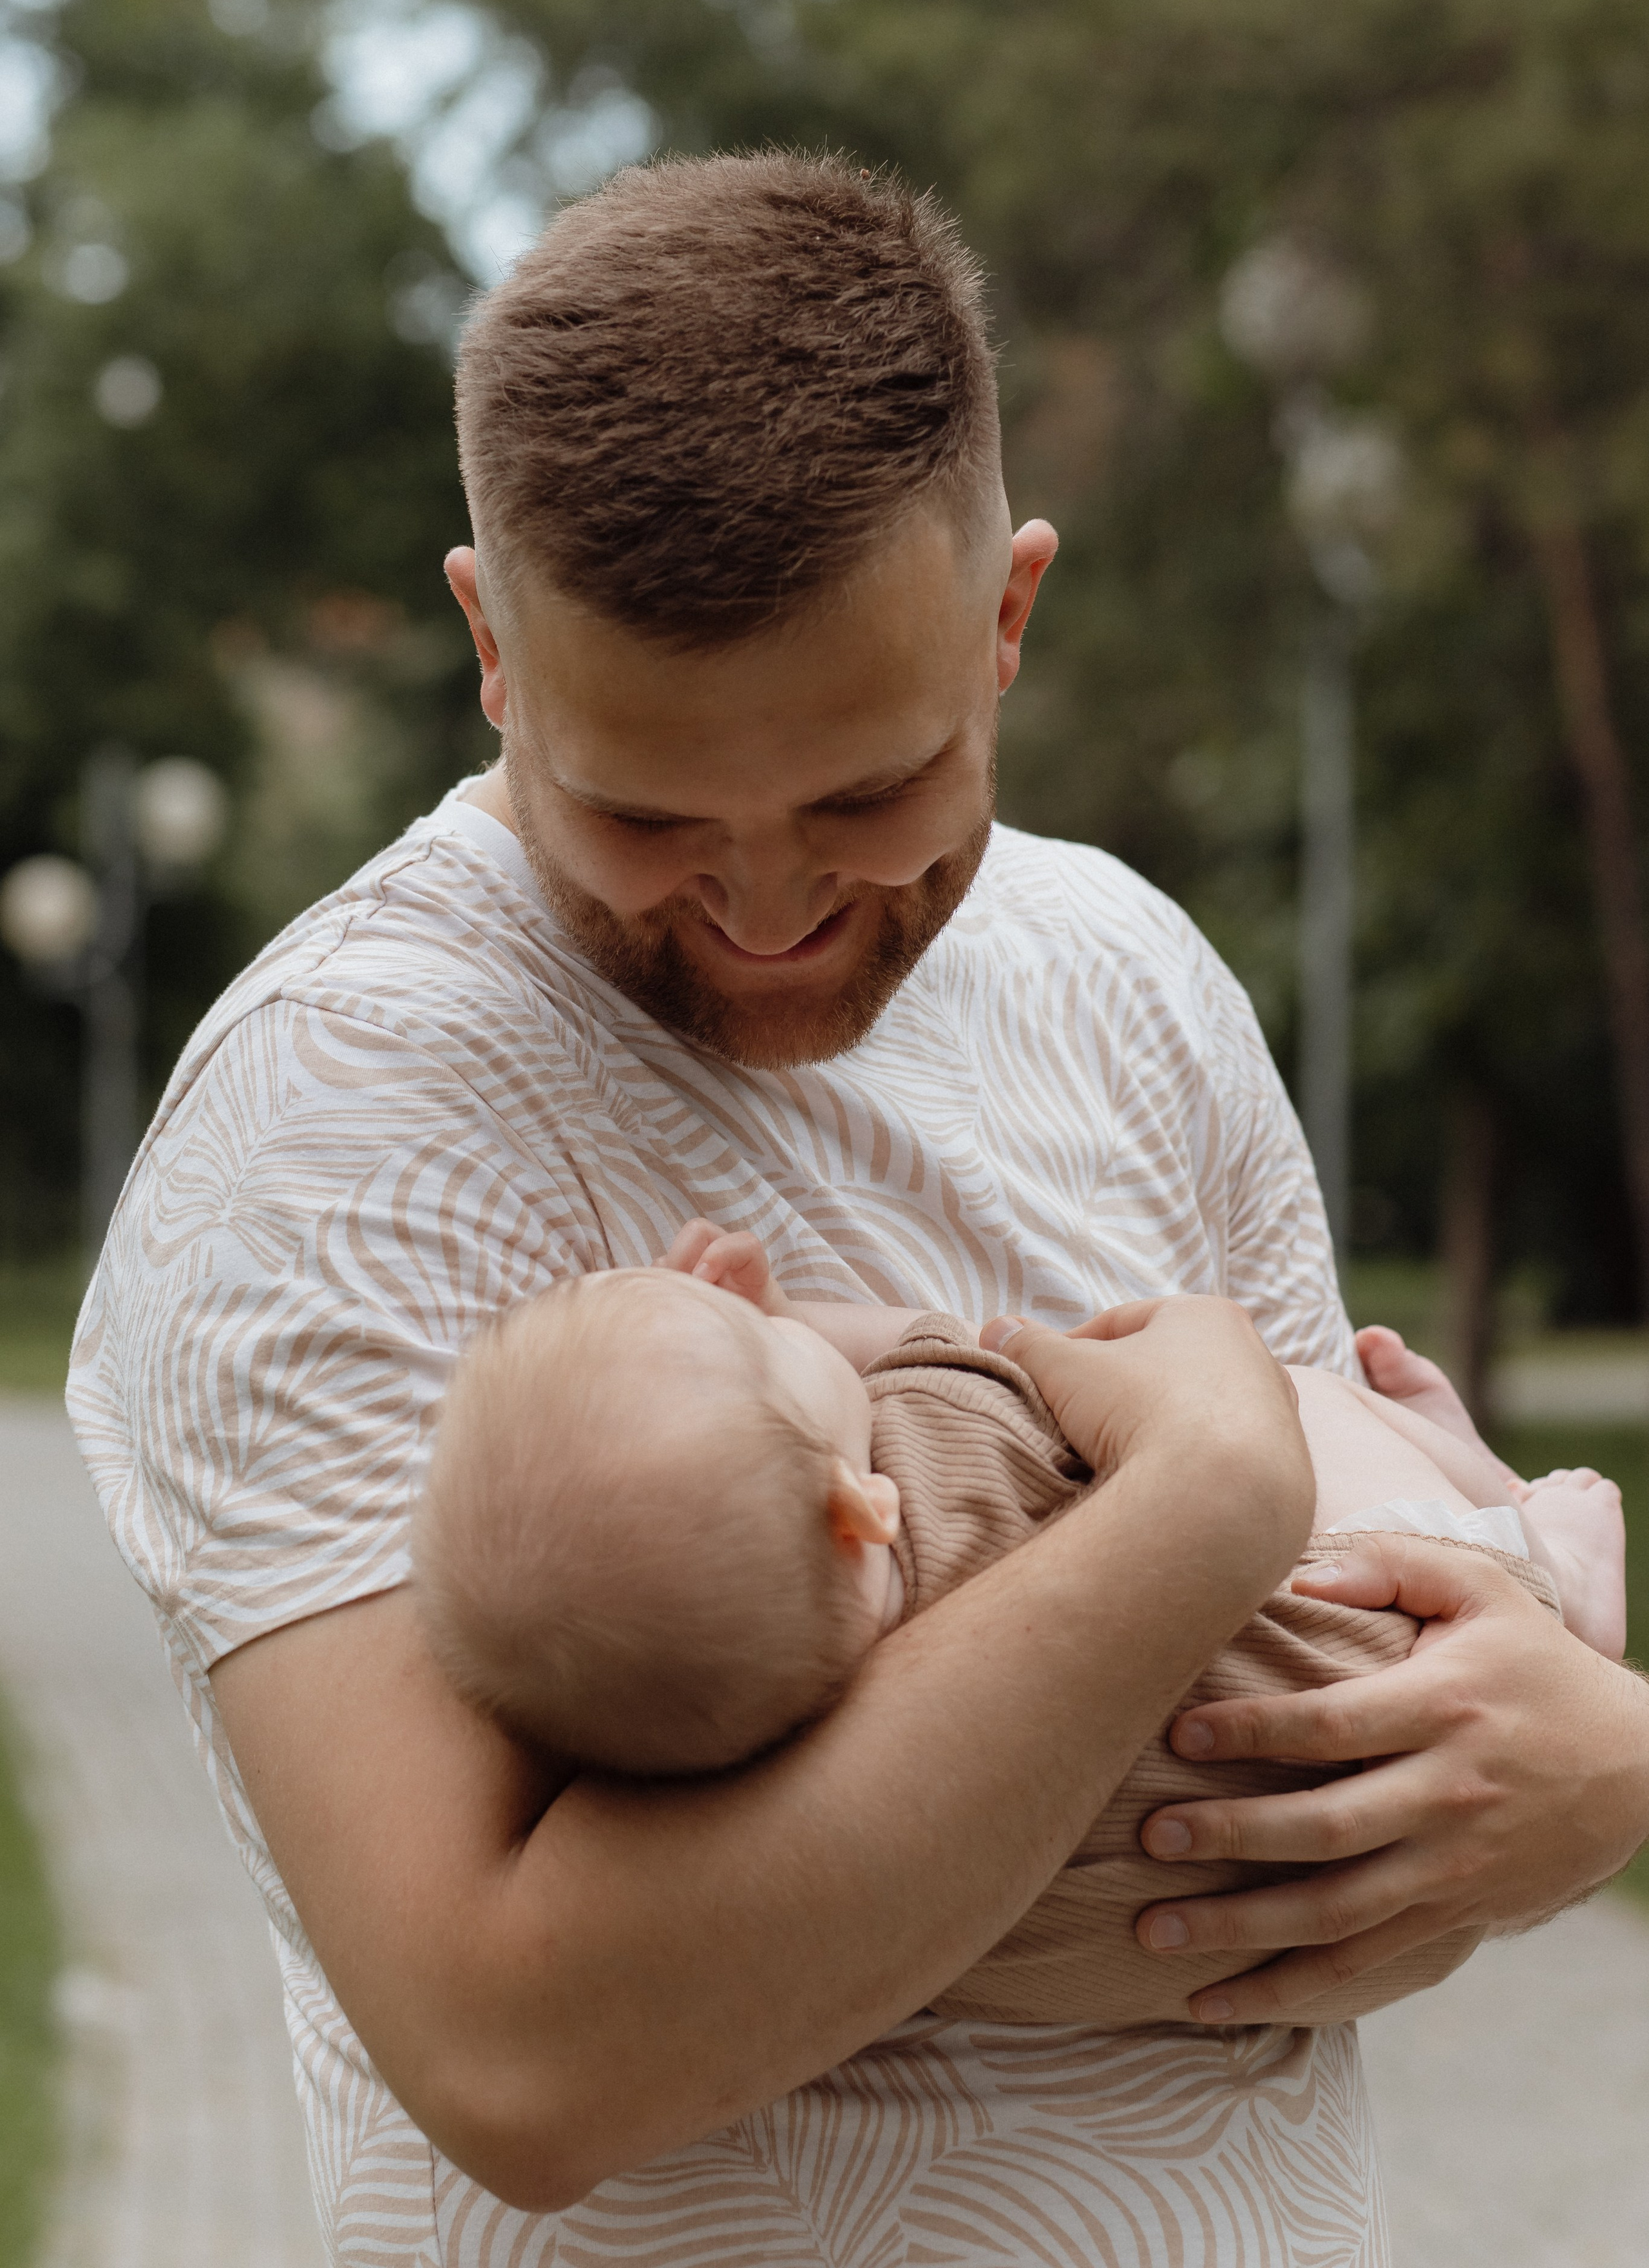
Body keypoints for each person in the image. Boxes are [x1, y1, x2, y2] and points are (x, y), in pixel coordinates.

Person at [68, 151, 1649, 2268]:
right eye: (645, 813)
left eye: (866, 792)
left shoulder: (1128, 981)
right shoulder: (339, 1114)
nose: (772, 903)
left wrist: (1591, 1770)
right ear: (492, 648)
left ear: (1009, 617)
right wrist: (1193, 1508)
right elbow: (528, 2062)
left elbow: (1378, 1647)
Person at [410, 1234, 1620, 2035]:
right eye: (770, 1359)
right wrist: (789, 1319)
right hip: (1402, 1638)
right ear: (858, 1509)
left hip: (1316, 1945)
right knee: (1268, 1396)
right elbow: (980, 1351)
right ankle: (1549, 1551)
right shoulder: (941, 1450)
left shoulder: (777, 1821)